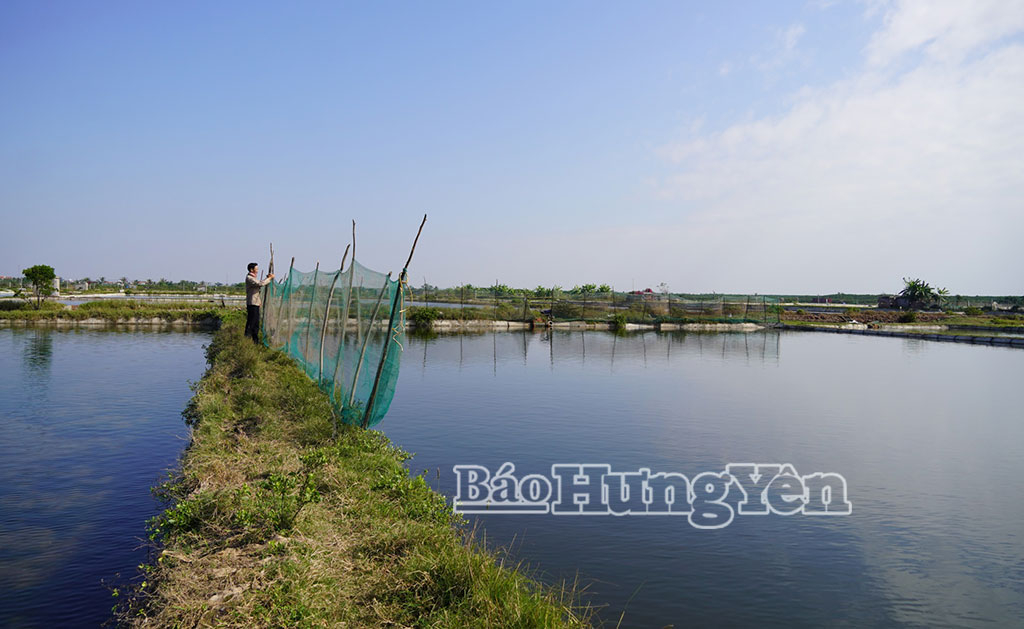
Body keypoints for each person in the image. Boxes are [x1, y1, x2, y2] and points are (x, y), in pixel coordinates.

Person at [244, 262, 274, 343]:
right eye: (256, 269)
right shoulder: (249, 278)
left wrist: (267, 279)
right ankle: (247, 339)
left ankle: (255, 341)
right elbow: (260, 284)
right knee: (252, 323)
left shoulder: (253, 278)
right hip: (252, 303)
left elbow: (260, 283)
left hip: (256, 303)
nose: (257, 271)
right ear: (251, 269)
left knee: (256, 323)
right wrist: (269, 279)